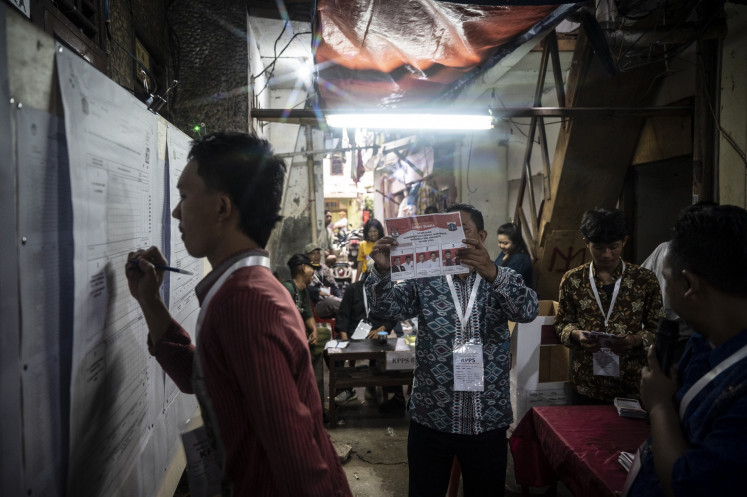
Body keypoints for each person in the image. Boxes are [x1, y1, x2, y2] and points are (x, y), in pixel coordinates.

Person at [125, 131, 351, 496]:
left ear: (222, 208)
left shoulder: (244, 301)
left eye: (184, 196)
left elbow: (298, 462)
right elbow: (204, 378)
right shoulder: (250, 287)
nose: (176, 211)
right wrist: (151, 302)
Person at [365, 202, 539, 496]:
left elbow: (528, 311)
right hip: (433, 417)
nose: (453, 237)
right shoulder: (424, 277)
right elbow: (385, 308)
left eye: (461, 230)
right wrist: (382, 273)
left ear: (481, 236)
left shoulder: (502, 276)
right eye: (447, 230)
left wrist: (493, 273)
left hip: (487, 419)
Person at [627, 204, 747, 497]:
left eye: (665, 279)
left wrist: (658, 406)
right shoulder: (702, 339)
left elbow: (687, 485)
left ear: (689, 284)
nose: (664, 288)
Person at [555, 208, 664, 404]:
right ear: (586, 242)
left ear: (624, 241)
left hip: (631, 384)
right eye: (598, 247)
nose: (606, 254)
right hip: (586, 383)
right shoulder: (573, 280)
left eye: (613, 247)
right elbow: (562, 323)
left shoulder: (644, 280)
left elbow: (657, 329)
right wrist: (576, 334)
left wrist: (635, 339)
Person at [332, 277, 402, 407]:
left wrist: (382, 328)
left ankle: (393, 396)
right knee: (331, 353)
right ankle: (347, 389)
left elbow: (392, 316)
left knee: (391, 353)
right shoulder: (353, 289)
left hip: (375, 333)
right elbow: (343, 314)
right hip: (354, 333)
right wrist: (344, 336)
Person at [304, 242, 342, 318]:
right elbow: (305, 288)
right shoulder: (305, 269)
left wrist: (340, 297)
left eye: (318, 253)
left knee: (344, 299)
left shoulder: (323, 268)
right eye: (313, 254)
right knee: (330, 302)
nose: (316, 256)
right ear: (307, 256)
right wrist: (321, 291)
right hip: (314, 306)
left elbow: (334, 286)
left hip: (327, 300)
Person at [494, 222, 535, 290]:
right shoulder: (505, 252)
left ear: (516, 242)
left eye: (505, 243)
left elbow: (507, 283)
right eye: (499, 242)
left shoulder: (520, 258)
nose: (501, 246)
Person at [355, 218, 384, 282]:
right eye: (370, 231)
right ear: (366, 232)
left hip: (381, 277)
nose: (372, 234)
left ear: (379, 231)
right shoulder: (363, 244)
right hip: (366, 276)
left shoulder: (383, 244)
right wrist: (356, 280)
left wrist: (394, 282)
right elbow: (360, 263)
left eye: (375, 231)